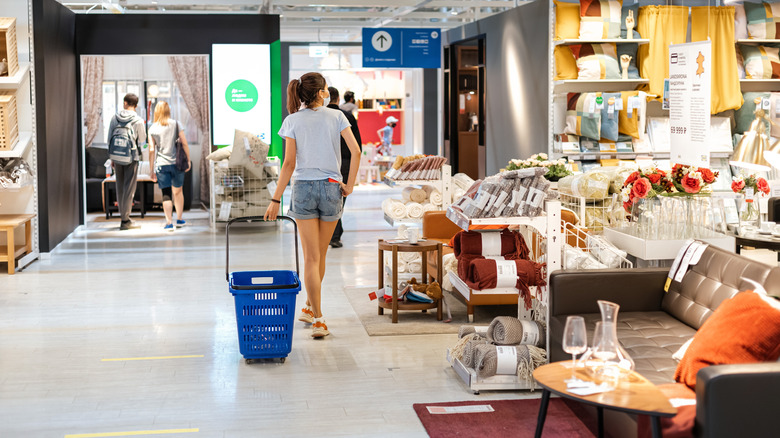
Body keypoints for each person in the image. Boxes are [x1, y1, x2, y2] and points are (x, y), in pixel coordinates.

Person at [265, 72, 360, 339]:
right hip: (332, 187)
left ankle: (314, 313)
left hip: (304, 189)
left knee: (311, 258)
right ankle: (315, 314)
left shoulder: (292, 121)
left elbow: (288, 164)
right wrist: (349, 185)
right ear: (320, 93)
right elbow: (356, 151)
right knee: (321, 255)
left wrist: (275, 199)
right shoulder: (337, 116)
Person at [327, 86, 362, 249]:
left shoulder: (322, 117)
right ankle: (334, 235)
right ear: (338, 99)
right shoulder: (347, 116)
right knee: (340, 199)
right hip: (346, 164)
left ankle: (331, 234)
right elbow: (357, 147)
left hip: (327, 163)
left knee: (327, 199)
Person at [148, 101, 191, 232]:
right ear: (168, 110)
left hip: (162, 164)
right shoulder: (176, 124)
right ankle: (179, 219)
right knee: (178, 192)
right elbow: (184, 143)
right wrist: (188, 160)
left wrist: (151, 169)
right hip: (177, 164)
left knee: (166, 194)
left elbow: (151, 150)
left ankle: (168, 223)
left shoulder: (152, 128)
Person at [107, 93, 146, 231]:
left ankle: (123, 217)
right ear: (136, 105)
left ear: (125, 103)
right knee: (129, 188)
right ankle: (125, 219)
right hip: (131, 157)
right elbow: (142, 140)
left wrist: (112, 157)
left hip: (117, 156)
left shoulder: (114, 118)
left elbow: (109, 138)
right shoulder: (138, 120)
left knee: (120, 186)